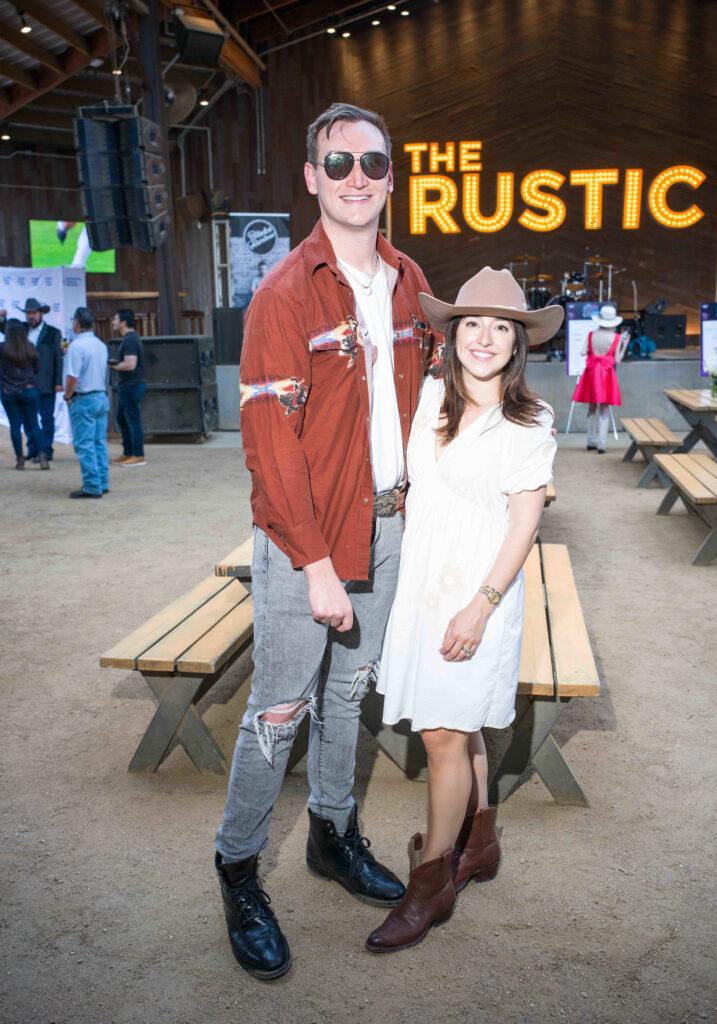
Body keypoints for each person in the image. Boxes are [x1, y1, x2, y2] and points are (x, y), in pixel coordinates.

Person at [214, 102, 439, 981]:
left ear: (391, 177)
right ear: (312, 177)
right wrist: (312, 564)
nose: (356, 178)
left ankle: (331, 835)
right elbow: (270, 450)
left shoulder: (409, 276)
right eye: (338, 163)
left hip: (390, 522)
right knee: (280, 710)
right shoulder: (284, 292)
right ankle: (237, 868)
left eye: (372, 164)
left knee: (349, 699)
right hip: (309, 538)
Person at [365, 267, 562, 954]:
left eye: (501, 327)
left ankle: (429, 887)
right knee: (463, 724)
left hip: (477, 594)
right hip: (422, 591)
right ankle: (479, 841)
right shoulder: (427, 400)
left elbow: (522, 528)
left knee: (444, 736)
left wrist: (479, 609)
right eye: (473, 323)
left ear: (517, 344)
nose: (485, 337)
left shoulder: (530, 422)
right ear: (451, 335)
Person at [63, 307, 109, 499]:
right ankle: (102, 481)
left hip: (84, 398)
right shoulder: (100, 344)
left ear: (76, 324)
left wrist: (67, 396)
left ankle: (91, 485)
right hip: (100, 396)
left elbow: (73, 377)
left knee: (85, 445)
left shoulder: (76, 347)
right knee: (99, 442)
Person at [571, 304, 629, 453]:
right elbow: (617, 360)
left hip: (591, 373)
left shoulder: (591, 335)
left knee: (591, 408)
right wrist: (624, 345)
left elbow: (583, 352)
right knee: (604, 409)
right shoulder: (616, 338)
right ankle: (601, 444)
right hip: (606, 375)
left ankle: (590, 441)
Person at [0, 319, 49, 470]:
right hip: (29, 389)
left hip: (9, 391)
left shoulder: (2, 348)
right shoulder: (30, 347)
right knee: (34, 424)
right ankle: (42, 456)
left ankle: (20, 460)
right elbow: (37, 368)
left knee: (15, 426)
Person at [22, 296, 63, 464]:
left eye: (34, 313)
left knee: (47, 418)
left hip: (46, 383)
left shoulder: (53, 333)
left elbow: (58, 359)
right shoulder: (22, 331)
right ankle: (33, 449)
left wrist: (58, 382)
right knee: (28, 419)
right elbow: (6, 328)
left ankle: (46, 451)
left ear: (41, 314)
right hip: (25, 383)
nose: (31, 316)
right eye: (28, 313)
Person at [109, 308, 146, 467]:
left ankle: (138, 454)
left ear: (123, 322)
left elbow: (130, 365)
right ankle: (128, 452)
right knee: (122, 419)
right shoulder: (130, 338)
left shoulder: (130, 340)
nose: (112, 322)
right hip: (129, 385)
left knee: (132, 420)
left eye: (115, 319)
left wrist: (114, 366)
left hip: (131, 385)